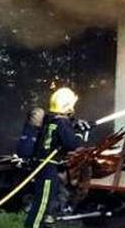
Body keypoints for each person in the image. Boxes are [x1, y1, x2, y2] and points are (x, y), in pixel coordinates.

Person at [25, 87, 87, 228]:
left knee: (45, 202)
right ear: (67, 105)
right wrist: (81, 132)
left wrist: (75, 126)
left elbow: (58, 137)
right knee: (42, 205)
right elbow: (72, 144)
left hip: (44, 166)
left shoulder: (50, 120)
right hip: (48, 169)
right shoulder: (62, 122)